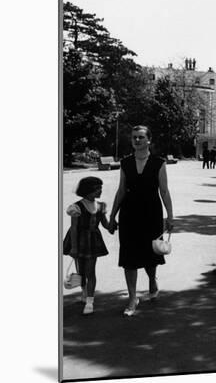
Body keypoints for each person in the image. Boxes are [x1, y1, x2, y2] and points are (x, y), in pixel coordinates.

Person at [108, 125, 174, 316]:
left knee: (150, 254)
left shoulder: (159, 163)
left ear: (149, 140)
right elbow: (121, 191)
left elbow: (164, 191)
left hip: (151, 213)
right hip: (129, 214)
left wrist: (170, 216)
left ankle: (152, 280)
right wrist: (112, 216)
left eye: (141, 137)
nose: (137, 140)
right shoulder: (126, 163)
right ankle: (132, 298)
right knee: (129, 256)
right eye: (134, 137)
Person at [63, 176, 110, 315]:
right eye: (97, 189)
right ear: (88, 190)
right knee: (81, 271)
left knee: (90, 271)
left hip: (93, 242)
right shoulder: (77, 207)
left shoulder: (101, 206)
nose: (100, 191)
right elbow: (74, 228)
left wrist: (116, 225)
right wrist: (74, 248)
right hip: (79, 240)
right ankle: (84, 292)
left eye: (100, 188)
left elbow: (106, 225)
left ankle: (90, 301)